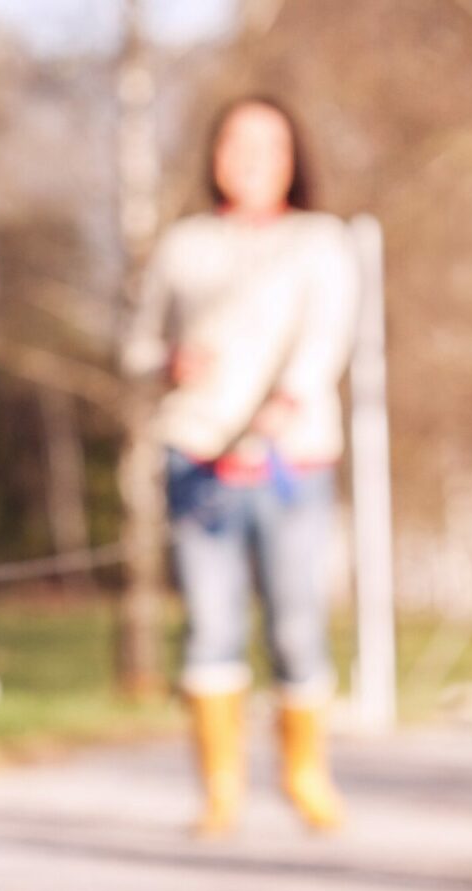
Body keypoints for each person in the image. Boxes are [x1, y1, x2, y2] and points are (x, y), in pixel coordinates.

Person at [128, 95, 357, 836]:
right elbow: (132, 343)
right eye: (235, 143)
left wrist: (280, 412)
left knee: (296, 623)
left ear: (292, 158)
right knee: (209, 624)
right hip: (196, 455)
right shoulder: (184, 245)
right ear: (215, 155)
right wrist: (169, 359)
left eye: (267, 144)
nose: (250, 158)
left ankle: (305, 775)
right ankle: (220, 790)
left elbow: (326, 339)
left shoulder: (322, 241)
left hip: (292, 460)